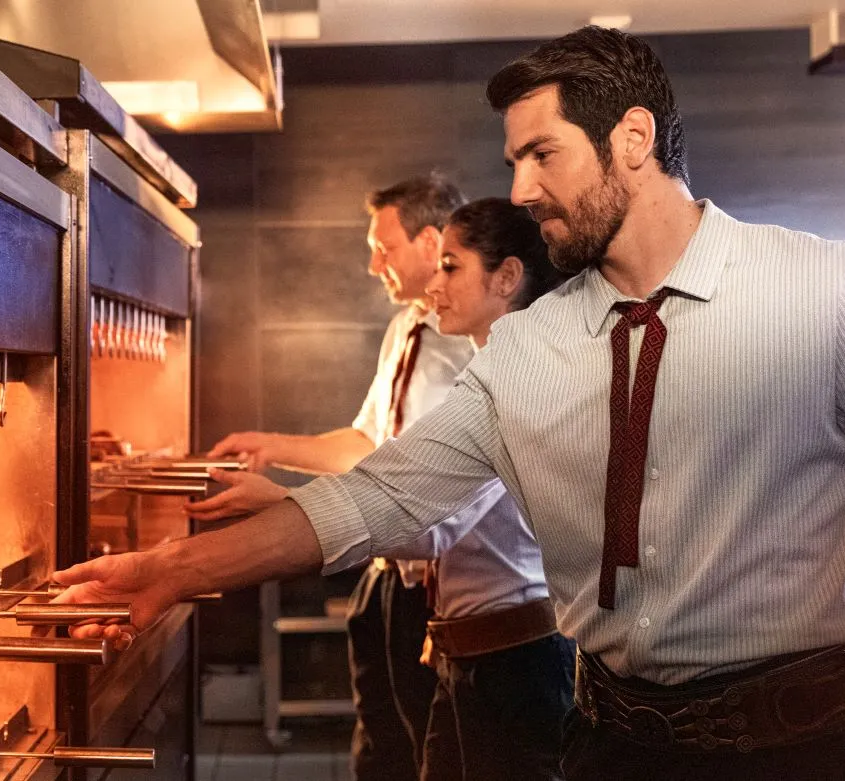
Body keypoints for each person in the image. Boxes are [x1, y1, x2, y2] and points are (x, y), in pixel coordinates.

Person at [52, 26, 845, 780]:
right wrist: (171, 568)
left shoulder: (827, 293)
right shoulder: (526, 348)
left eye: (542, 154)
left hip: (801, 750)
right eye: (513, 160)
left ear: (634, 138)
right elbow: (376, 498)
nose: (522, 189)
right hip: (605, 745)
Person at [192, 198, 579, 781]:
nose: (435, 284)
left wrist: (276, 500)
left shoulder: (515, 383)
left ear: (506, 277)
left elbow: (426, 528)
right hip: (466, 648)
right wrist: (276, 458)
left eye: (451, 267)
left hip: (516, 657)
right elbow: (382, 456)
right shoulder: (484, 370)